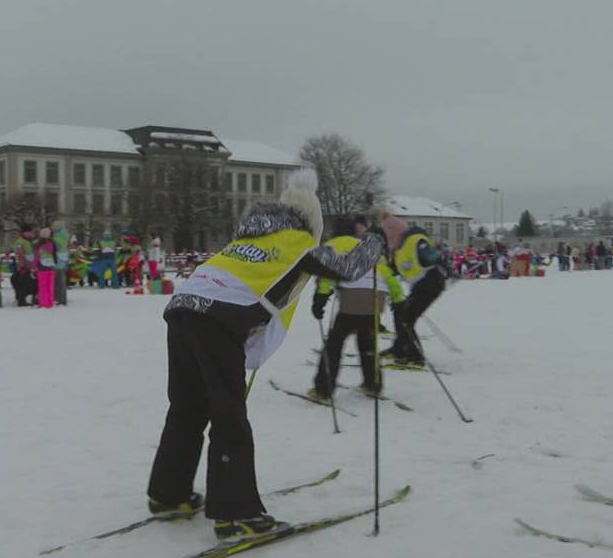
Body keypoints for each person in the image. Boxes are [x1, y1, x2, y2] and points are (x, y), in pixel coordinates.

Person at [147, 169, 400, 542]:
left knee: (187, 408)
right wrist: (376, 241)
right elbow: (347, 268)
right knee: (228, 414)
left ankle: (168, 494)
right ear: (308, 223)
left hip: (184, 307)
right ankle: (237, 516)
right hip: (219, 318)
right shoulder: (296, 242)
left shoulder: (246, 240)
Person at [309, 214, 398, 399]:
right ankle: (373, 384)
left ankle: (323, 389)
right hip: (376, 296)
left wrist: (320, 298)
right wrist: (398, 298)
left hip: (352, 297)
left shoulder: (333, 245)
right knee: (367, 342)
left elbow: (328, 274)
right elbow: (386, 271)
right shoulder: (365, 246)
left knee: (334, 344)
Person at [380, 223, 448, 367]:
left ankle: (415, 358)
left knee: (406, 319)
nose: (389, 242)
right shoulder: (400, 250)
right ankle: (399, 349)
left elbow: (432, 256)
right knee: (401, 314)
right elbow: (392, 271)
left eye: (390, 238)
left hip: (431, 283)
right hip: (420, 286)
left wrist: (443, 264)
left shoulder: (415, 239)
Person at [11, 225, 37, 306]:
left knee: (29, 283)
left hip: (29, 265)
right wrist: (26, 262)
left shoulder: (28, 241)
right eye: (30, 232)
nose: (31, 234)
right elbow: (20, 253)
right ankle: (21, 300)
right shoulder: (20, 241)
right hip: (23, 266)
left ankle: (27, 299)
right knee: (23, 284)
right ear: (25, 232)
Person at [34, 227, 56, 308]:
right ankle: (50, 302)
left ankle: (43, 303)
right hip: (51, 265)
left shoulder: (38, 243)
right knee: (50, 286)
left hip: (42, 266)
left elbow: (36, 256)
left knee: (42, 286)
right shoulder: (52, 243)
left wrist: (34, 266)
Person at [52, 220, 70, 306]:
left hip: (57, 261)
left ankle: (59, 298)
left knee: (57, 282)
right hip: (63, 261)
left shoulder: (56, 238)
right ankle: (62, 298)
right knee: (62, 281)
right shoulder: (65, 236)